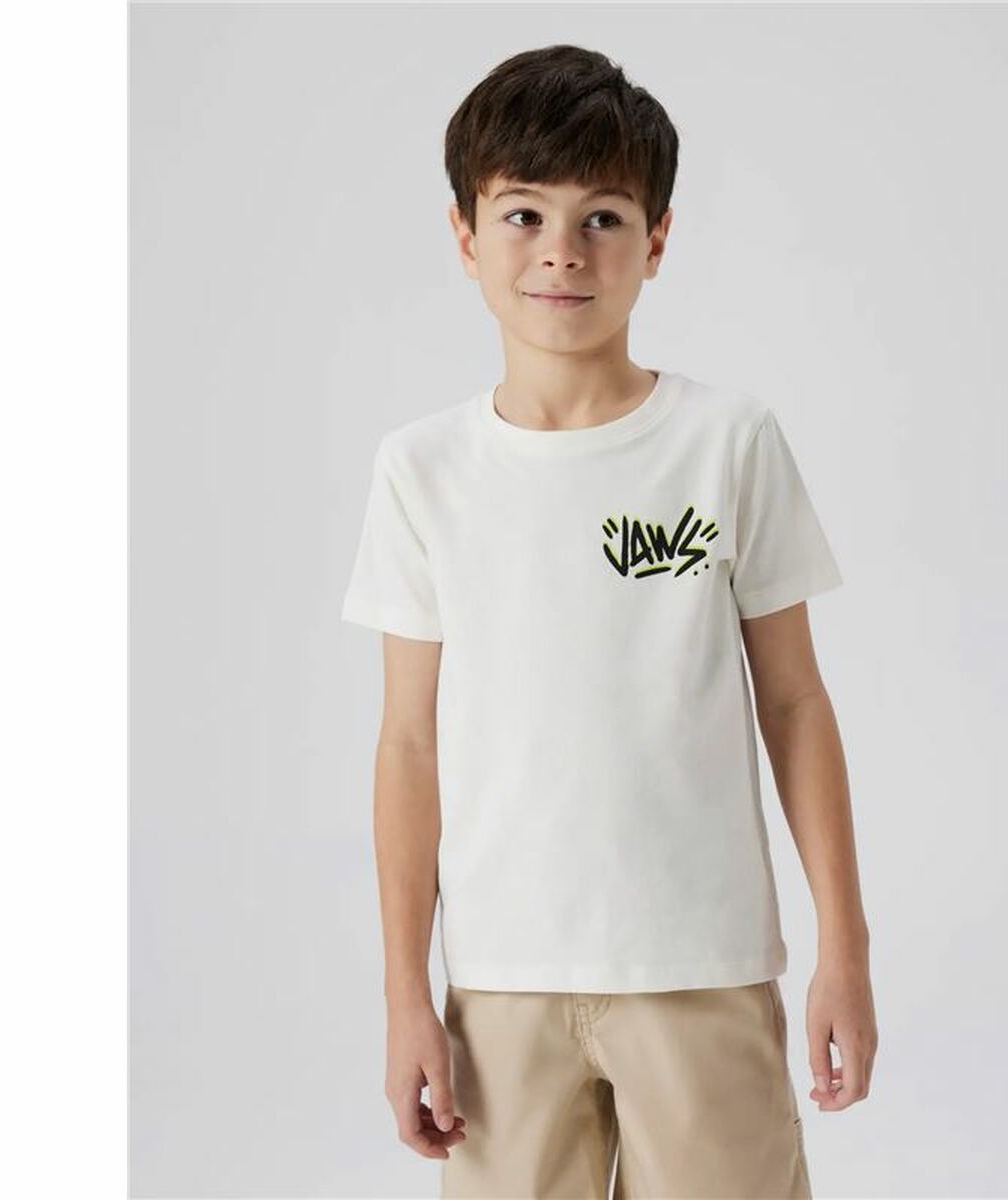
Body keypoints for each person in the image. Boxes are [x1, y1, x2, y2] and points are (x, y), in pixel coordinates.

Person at [341, 43, 877, 1200]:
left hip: (702, 967)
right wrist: (403, 998)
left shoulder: (726, 443)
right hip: (501, 988)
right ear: (465, 237)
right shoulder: (422, 471)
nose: (562, 251)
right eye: (524, 214)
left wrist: (846, 948)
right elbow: (409, 744)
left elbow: (794, 702)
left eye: (603, 218)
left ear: (657, 240)